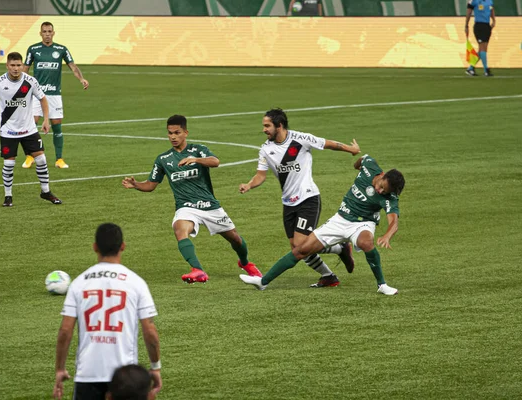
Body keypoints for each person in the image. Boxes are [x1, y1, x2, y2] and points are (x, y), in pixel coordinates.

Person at [122, 114, 262, 284]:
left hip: (210, 206)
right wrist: (136, 184)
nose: (173, 137)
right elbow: (151, 185)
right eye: (169, 133)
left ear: (185, 132)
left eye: (177, 132)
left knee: (235, 239)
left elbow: (215, 161)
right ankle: (198, 270)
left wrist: (196, 160)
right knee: (179, 230)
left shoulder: (198, 150)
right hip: (186, 207)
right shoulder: (163, 159)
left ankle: (245, 263)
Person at [240, 154, 405, 296]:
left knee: (365, 242)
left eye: (385, 191)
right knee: (301, 250)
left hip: (362, 224)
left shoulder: (390, 198)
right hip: (339, 219)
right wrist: (357, 166)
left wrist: (387, 235)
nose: (380, 192)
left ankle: (382, 285)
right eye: (381, 187)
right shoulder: (369, 166)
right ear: (382, 175)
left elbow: (394, 222)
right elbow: (361, 160)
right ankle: (263, 282)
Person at [239, 108, 358, 288]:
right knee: (296, 247)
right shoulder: (265, 149)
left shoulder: (301, 139)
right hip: (288, 203)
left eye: (267, 126)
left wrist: (351, 150)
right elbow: (260, 175)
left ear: (279, 125)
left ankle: (339, 252)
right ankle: (330, 272)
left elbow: (329, 144)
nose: (264, 129)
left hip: (308, 198)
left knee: (302, 245)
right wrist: (249, 184)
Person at [53, 223, 162, 400]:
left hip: (88, 373)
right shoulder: (136, 283)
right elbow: (150, 331)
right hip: (126, 378)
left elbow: (65, 331)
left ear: (95, 247)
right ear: (123, 246)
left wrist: (60, 368)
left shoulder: (79, 283)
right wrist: (155, 366)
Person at [0, 51, 62, 207]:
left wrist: (46, 119)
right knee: (9, 164)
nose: (15, 68)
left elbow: (43, 99)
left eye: (18, 65)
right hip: (8, 130)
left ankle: (45, 192)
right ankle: (8, 196)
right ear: (7, 65)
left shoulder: (30, 81)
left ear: (22, 65)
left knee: (41, 159)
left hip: (29, 130)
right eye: (12, 65)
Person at [23, 21, 89, 169]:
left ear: (53, 33)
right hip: (36, 94)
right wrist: (20, 86)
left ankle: (59, 159)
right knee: (32, 125)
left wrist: (81, 79)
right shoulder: (33, 49)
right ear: (40, 33)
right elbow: (25, 69)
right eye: (44, 31)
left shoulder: (61, 49)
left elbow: (73, 66)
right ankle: (29, 156)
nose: (47, 34)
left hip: (54, 95)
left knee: (57, 127)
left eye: (49, 31)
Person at [465, 0, 496, 77]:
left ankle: (470, 68)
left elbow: (491, 9)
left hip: (487, 26)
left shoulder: (490, 1)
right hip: (479, 26)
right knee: (482, 48)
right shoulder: (473, 1)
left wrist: (494, 20)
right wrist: (466, 25)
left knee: (483, 49)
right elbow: (469, 12)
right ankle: (486, 70)